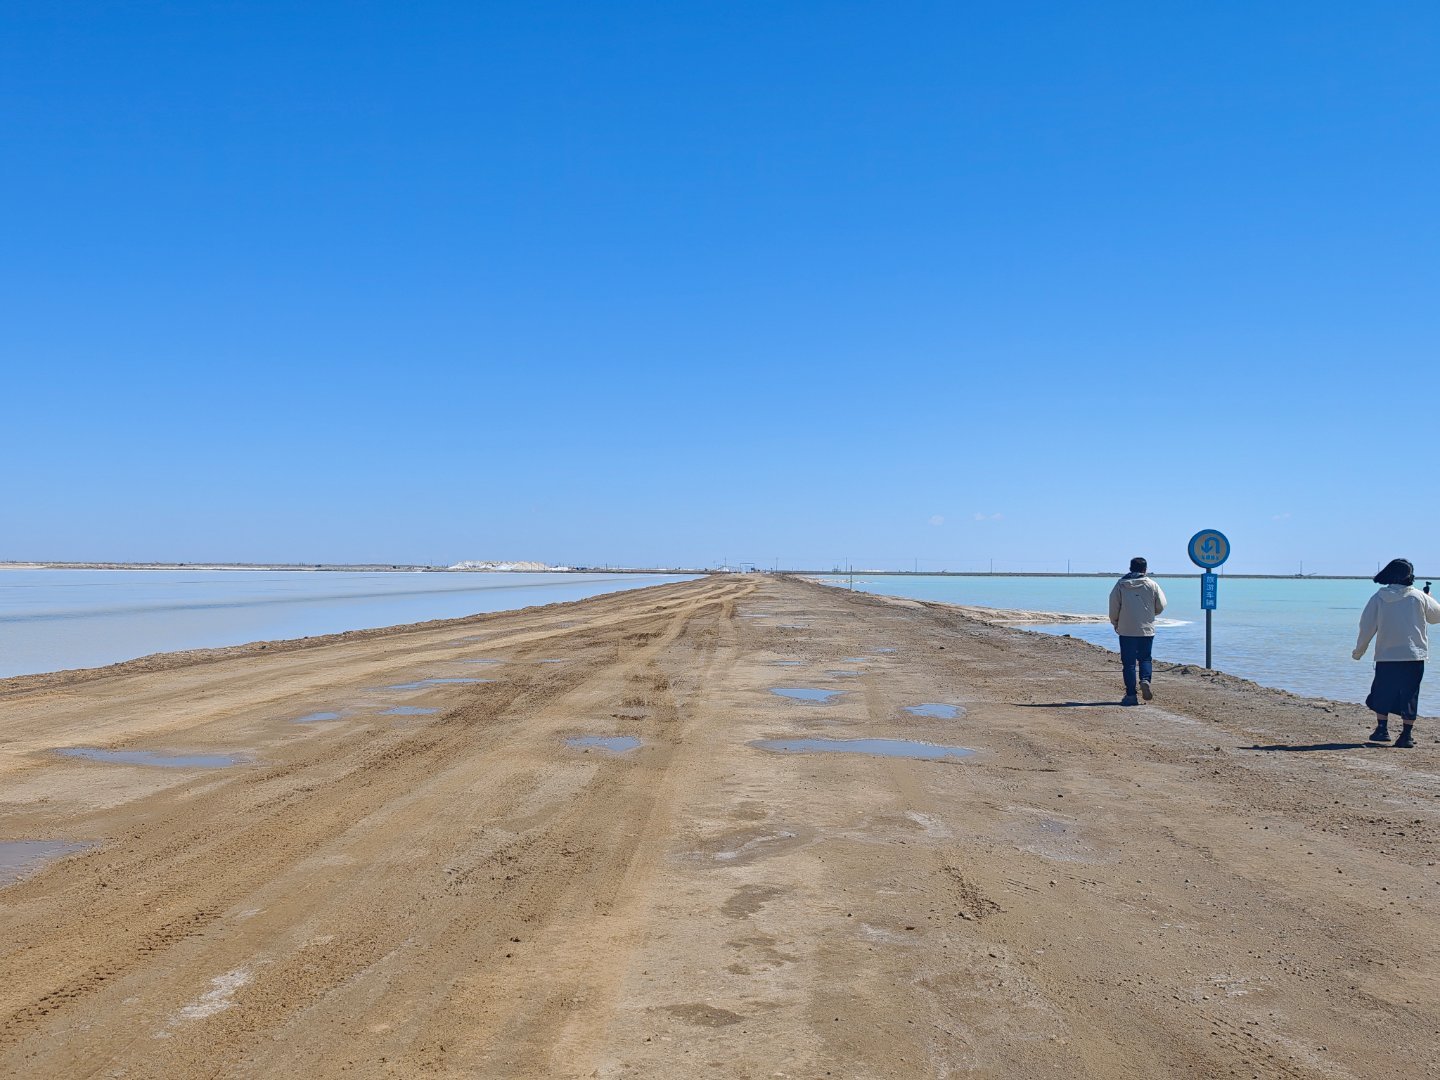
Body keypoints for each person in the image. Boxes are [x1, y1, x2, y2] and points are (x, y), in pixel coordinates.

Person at [1353, 558, 1440, 748]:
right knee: (1410, 694)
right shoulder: (1419, 596)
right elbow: (1436, 617)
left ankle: (1382, 730)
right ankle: (1406, 735)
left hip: (1386, 655)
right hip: (1414, 655)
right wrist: (1430, 598)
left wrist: (1359, 651)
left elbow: (1366, 627)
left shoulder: (1378, 597)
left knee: (1382, 692)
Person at [1109, 557, 1167, 706]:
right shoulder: (1152, 584)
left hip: (1126, 629)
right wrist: (1150, 613)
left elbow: (1114, 605)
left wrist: (1115, 622)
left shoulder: (1121, 584)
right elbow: (1161, 605)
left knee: (1128, 663)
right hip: (1146, 629)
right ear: (1145, 569)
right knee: (1145, 658)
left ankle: (1131, 695)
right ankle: (1145, 680)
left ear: (1130, 568)